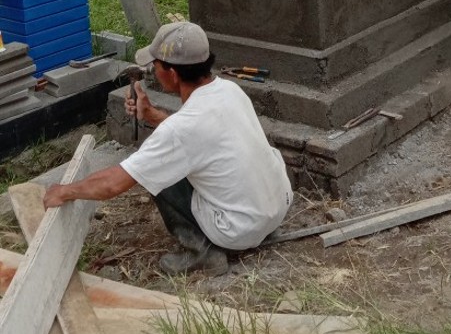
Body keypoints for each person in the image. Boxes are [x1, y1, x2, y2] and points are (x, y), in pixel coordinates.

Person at [43, 21, 292, 275]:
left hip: (238, 230)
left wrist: (64, 191)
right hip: (276, 208)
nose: (152, 71)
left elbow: (113, 184)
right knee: (174, 159)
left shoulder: (181, 129)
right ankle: (261, 224)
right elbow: (200, 137)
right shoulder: (231, 90)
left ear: (172, 74)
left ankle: (203, 253)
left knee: (157, 173)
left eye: (156, 66)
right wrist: (151, 115)